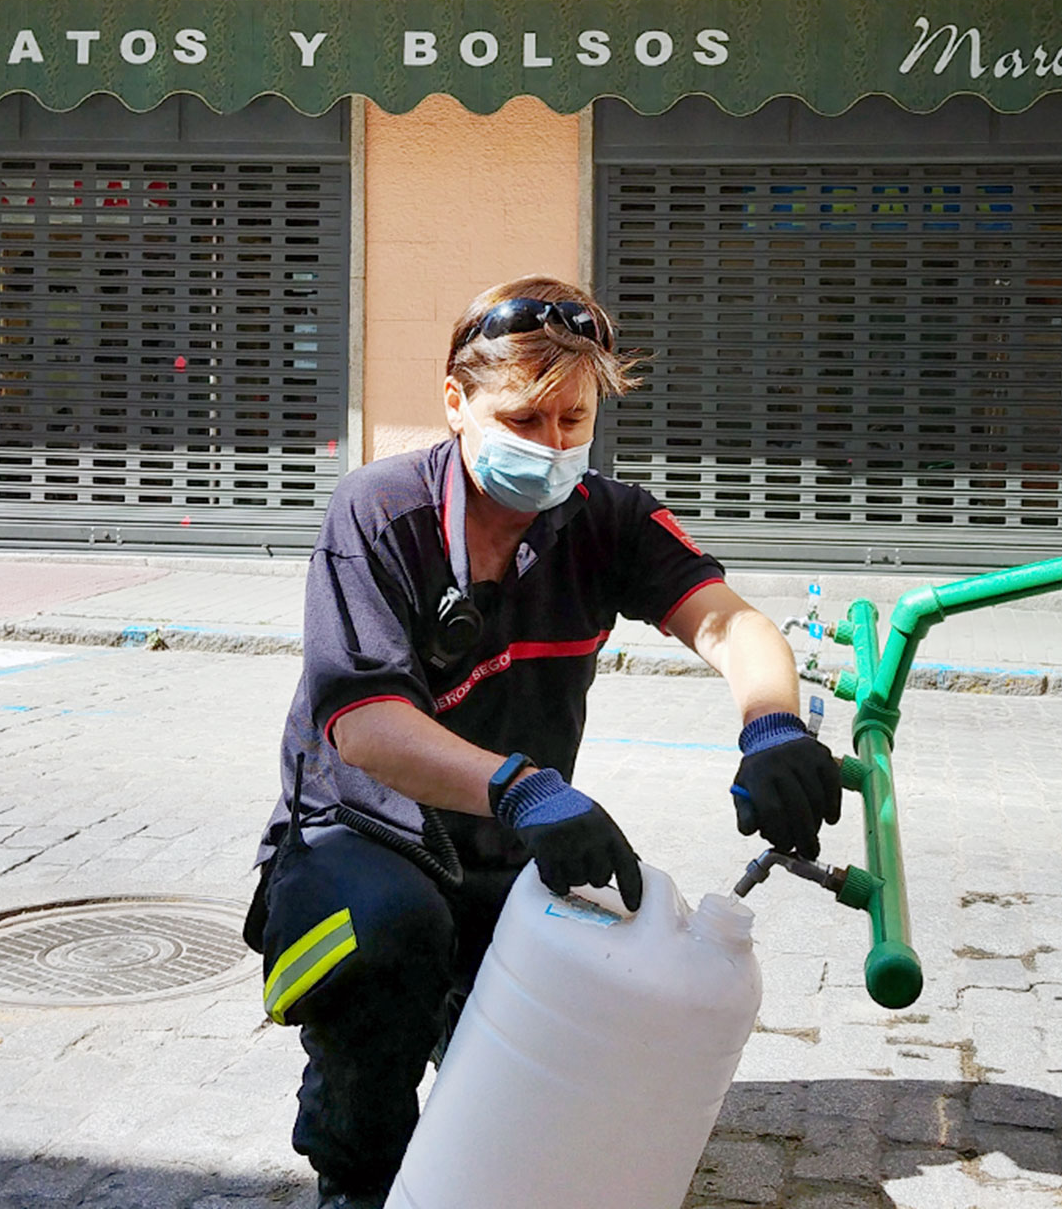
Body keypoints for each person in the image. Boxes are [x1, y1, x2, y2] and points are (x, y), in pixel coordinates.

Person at [241, 275, 843, 1209]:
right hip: (362, 837)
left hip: (511, 845)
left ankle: (461, 1051)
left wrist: (771, 723)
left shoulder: (607, 519)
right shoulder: (378, 514)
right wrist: (524, 788)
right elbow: (364, 727)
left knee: (570, 1046)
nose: (553, 444)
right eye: (523, 418)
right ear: (456, 403)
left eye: (573, 419)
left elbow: (729, 623)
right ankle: (354, 1175)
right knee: (387, 946)